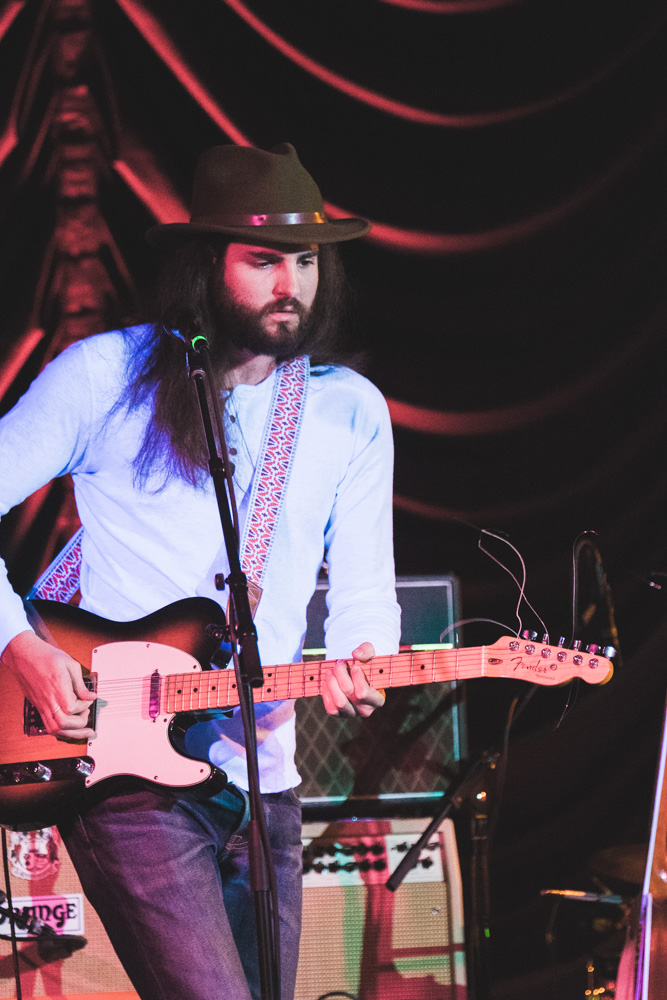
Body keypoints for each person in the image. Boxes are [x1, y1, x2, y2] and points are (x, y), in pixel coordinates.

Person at [0, 142, 400, 1000]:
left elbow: (365, 587)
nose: (291, 283)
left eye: (305, 259)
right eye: (264, 261)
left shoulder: (347, 411)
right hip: (120, 771)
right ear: (205, 265)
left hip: (267, 776)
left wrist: (368, 655)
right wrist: (17, 647)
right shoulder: (104, 377)